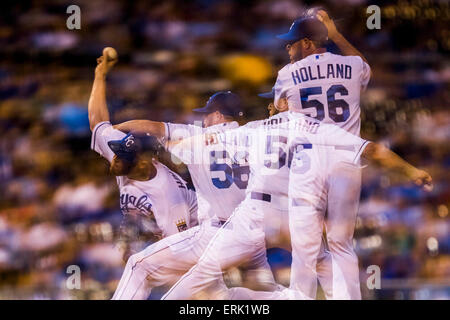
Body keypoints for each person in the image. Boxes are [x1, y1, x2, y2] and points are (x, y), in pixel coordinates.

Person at [113, 91, 281, 299]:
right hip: (255, 236)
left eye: (207, 114)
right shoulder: (253, 134)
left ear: (218, 115)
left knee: (138, 265)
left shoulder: (195, 136)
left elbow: (152, 127)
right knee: (251, 296)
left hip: (217, 234)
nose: (204, 118)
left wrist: (117, 129)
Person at [272, 9, 372, 298]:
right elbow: (366, 69)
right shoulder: (352, 64)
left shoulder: (286, 74)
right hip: (346, 161)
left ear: (306, 43)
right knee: (341, 242)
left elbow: (280, 108)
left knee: (304, 245)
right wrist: (336, 34)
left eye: (291, 43)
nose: (287, 49)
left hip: (308, 162)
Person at [88, 51, 202, 299]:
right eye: (117, 153)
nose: (115, 159)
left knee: (138, 266)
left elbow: (182, 250)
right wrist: (100, 76)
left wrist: (138, 247)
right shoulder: (126, 152)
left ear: (142, 161)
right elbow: (98, 122)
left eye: (122, 157)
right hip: (162, 237)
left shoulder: (168, 195)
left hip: (193, 243)